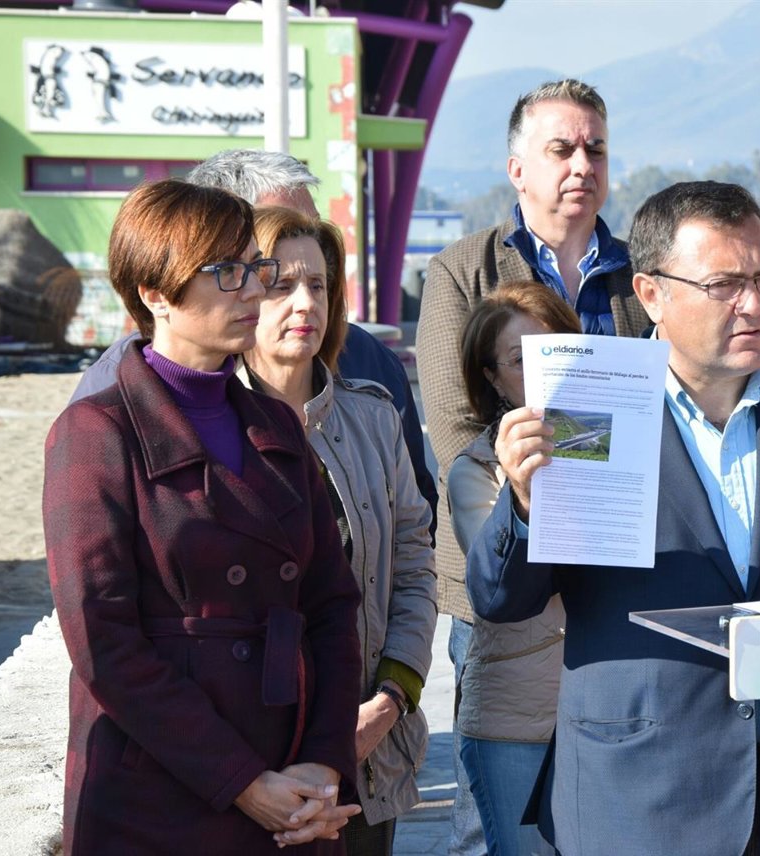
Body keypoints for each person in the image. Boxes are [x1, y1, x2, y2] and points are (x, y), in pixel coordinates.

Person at [468, 181, 760, 856]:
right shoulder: (590, 405)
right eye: (725, 283)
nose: (754, 303)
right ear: (651, 294)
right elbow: (503, 600)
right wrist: (526, 506)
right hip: (635, 793)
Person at [44, 180, 363, 853]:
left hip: (292, 779)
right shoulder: (97, 431)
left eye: (255, 267)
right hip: (158, 794)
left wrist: (323, 762)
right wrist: (245, 782)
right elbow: (103, 642)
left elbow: (333, 604)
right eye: (226, 272)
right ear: (155, 292)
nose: (253, 290)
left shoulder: (274, 421)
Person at [415, 78, 647, 854]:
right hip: (499, 570)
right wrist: (533, 507)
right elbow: (453, 427)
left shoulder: (641, 274)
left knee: (607, 795)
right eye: (560, 149)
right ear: (519, 168)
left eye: (596, 149)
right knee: (493, 815)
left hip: (615, 571)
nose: (581, 164)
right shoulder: (459, 269)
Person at [69, 148, 438, 531]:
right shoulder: (127, 388)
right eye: (276, 232)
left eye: (308, 226)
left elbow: (413, 524)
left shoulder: (369, 361)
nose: (306, 243)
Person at [240, 206, 439, 855]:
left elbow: (414, 564)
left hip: (366, 750)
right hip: (252, 773)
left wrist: (391, 698)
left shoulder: (374, 420)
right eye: (280, 284)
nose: (305, 302)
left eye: (319, 285)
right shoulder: (207, 428)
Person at [449, 282, 580, 855]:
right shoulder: (475, 469)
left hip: (607, 709)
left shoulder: (626, 450)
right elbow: (498, 589)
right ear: (493, 379)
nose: (545, 370)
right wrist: (523, 494)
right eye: (523, 360)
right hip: (515, 719)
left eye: (557, 349)